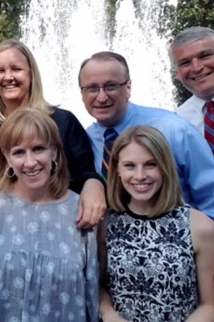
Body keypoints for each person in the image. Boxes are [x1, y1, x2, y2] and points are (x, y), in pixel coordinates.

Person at [0, 108, 99, 321]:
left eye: (38, 149)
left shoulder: (78, 209)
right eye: (19, 152)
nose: (30, 162)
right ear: (7, 157)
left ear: (54, 152)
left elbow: (90, 289)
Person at [0, 38, 105, 228]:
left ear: (31, 74)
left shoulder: (64, 123)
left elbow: (86, 173)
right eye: (0, 71)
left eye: (16, 69)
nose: (8, 77)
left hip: (56, 231)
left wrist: (94, 184)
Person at [79, 51, 214, 219]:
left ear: (128, 87)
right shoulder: (86, 138)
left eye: (111, 86)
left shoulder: (174, 129)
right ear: (82, 93)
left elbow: (211, 196)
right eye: (92, 88)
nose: (101, 97)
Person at [99, 126, 214, 322]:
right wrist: (109, 314)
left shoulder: (199, 226)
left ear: (164, 167)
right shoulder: (105, 224)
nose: (140, 175)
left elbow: (210, 304)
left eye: (150, 164)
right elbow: (97, 285)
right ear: (117, 169)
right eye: (130, 166)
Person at [170, 26, 214, 151]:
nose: (196, 68)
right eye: (185, 63)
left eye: (205, 56)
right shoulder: (177, 123)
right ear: (177, 74)